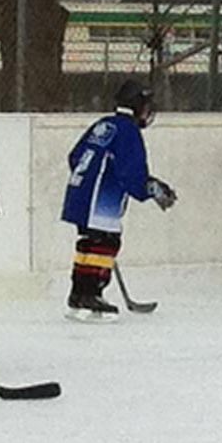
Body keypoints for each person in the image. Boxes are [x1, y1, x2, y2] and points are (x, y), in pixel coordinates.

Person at [61, 79, 176, 321]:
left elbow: (75, 157)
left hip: (79, 193)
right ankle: (92, 294)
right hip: (101, 198)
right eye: (145, 106)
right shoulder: (128, 130)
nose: (148, 111)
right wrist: (152, 189)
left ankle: (79, 294)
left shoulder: (104, 124)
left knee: (89, 243)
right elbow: (131, 173)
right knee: (105, 243)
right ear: (136, 106)